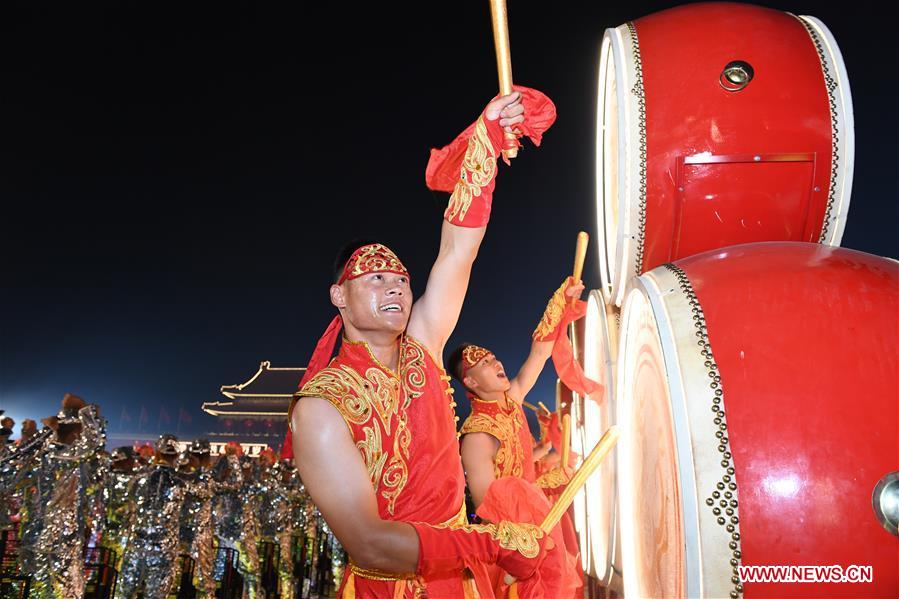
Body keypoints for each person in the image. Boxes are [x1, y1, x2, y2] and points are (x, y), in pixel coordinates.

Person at [289, 87, 558, 597]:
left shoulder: (425, 347)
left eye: (400, 278)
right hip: (388, 586)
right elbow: (370, 543)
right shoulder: (322, 406)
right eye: (374, 278)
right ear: (337, 296)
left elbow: (458, 251)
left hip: (460, 580)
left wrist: (487, 138)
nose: (394, 285)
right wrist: (488, 546)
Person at [448, 278, 584, 597]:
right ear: (470, 381)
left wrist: (561, 302)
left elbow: (538, 354)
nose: (495, 362)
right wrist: (525, 548)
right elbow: (488, 508)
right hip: (512, 558)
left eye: (493, 357)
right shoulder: (478, 434)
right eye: (484, 363)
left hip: (539, 530)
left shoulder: (513, 398)